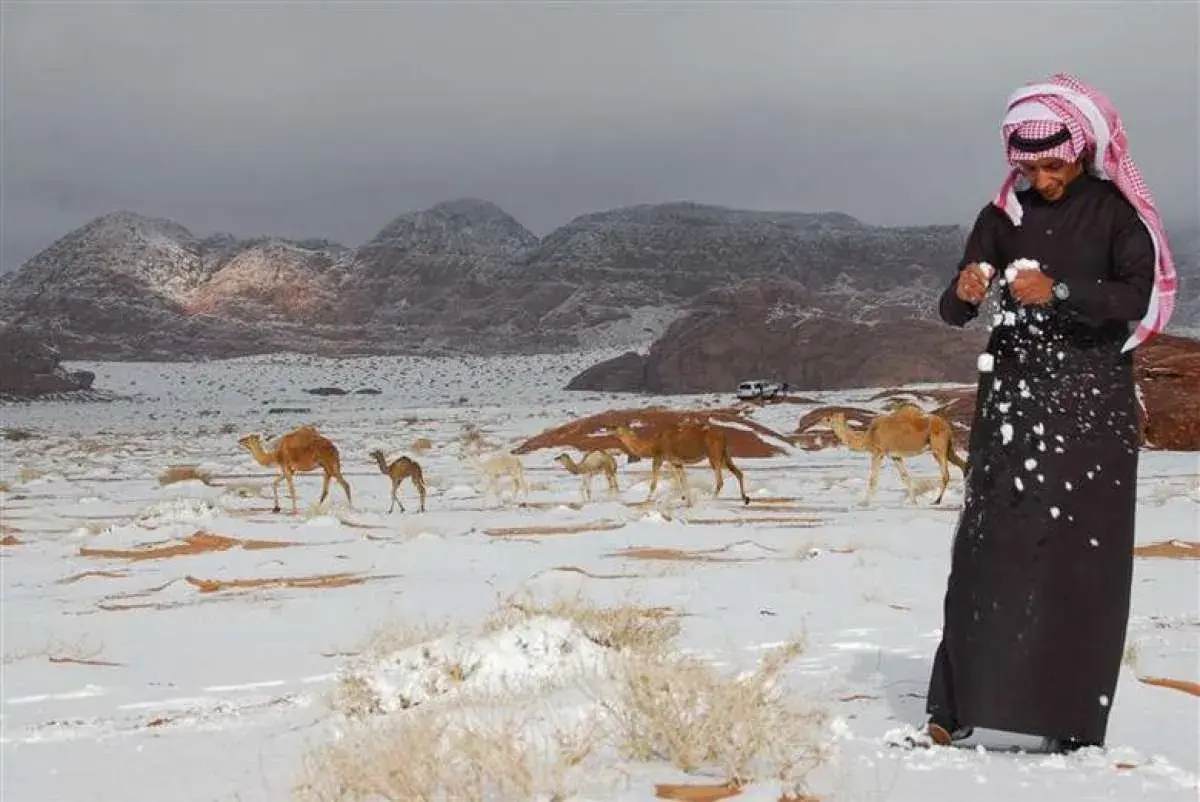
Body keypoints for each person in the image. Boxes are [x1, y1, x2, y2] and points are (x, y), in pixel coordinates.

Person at [925, 73, 1178, 754]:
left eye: (1052, 164)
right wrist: (965, 288)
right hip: (1011, 398)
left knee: (1080, 556)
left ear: (1082, 150)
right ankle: (957, 706)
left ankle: (1068, 719)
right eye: (1027, 165)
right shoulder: (999, 218)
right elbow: (953, 312)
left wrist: (1059, 290)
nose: (1040, 176)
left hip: (1092, 401)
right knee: (987, 549)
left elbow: (1136, 296)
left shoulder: (1116, 216)